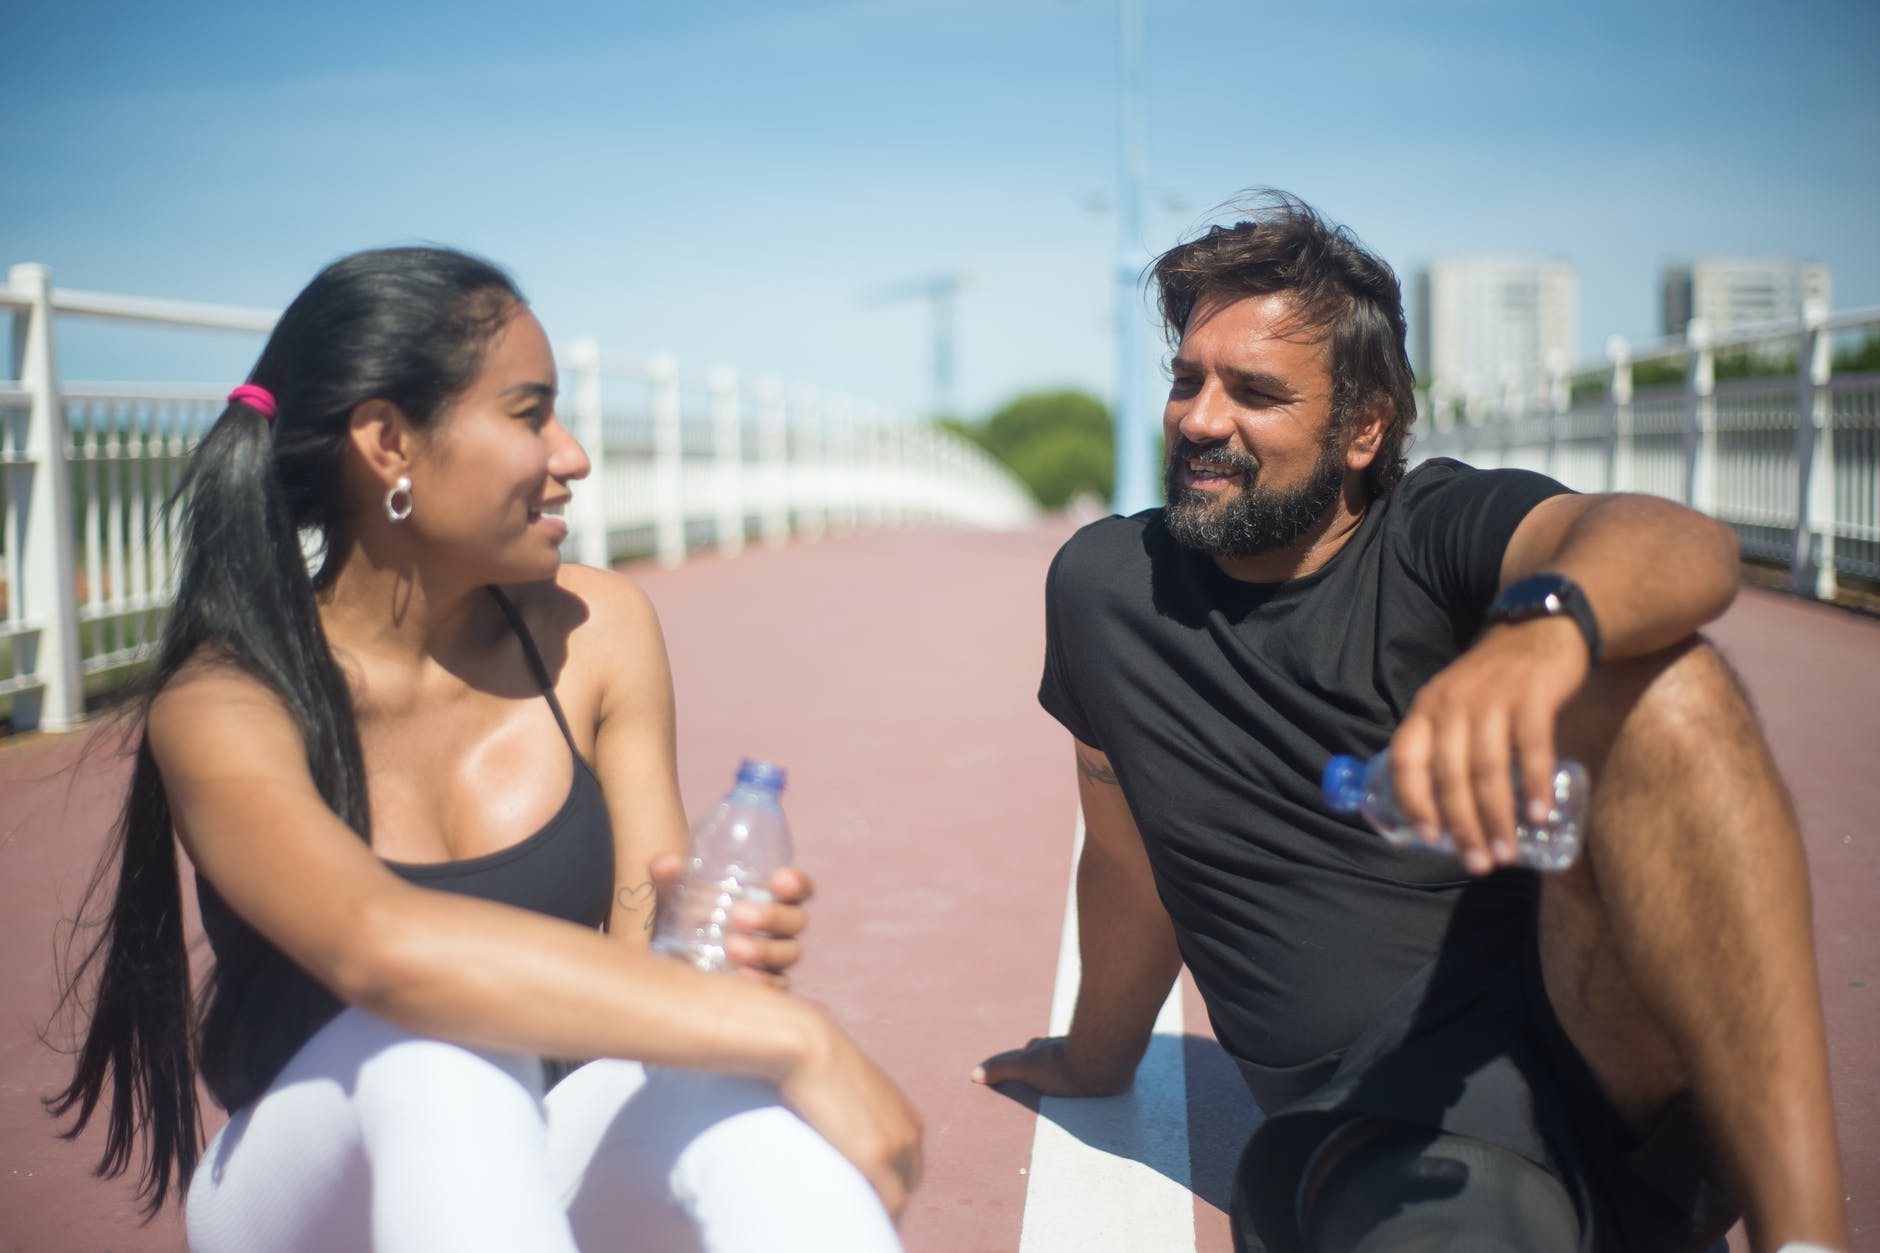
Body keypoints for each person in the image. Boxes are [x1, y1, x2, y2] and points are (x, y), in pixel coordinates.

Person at [976, 192, 1847, 1253]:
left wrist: (1543, 630)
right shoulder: (1106, 588)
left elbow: (1677, 541)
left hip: (1605, 1050)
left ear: (1362, 427)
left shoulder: (1431, 530)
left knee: (1667, 680)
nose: (1200, 419)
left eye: (1252, 391)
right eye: (1185, 379)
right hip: (1391, 1122)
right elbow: (1124, 855)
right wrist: (1093, 1055)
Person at [48, 246, 921, 1252]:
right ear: (387, 443)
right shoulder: (227, 698)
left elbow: (655, 969)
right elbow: (385, 949)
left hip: (531, 1158)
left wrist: (718, 962)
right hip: (310, 1191)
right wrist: (797, 1033)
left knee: (744, 1125)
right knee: (442, 1057)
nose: (572, 454)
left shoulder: (599, 630)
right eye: (527, 412)